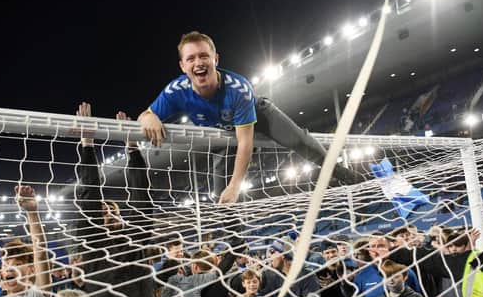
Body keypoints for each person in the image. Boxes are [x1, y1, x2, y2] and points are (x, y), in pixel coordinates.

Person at [137, 31, 359, 203]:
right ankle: (235, 240)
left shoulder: (238, 89)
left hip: (258, 118)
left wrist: (236, 186)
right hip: (224, 134)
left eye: (204, 56)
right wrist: (148, 116)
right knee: (219, 190)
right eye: (191, 58)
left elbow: (245, 143)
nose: (198, 63)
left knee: (298, 140)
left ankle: (340, 171)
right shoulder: (175, 91)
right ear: (183, 66)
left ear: (215, 59)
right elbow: (145, 115)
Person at [73, 104, 161, 297]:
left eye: (114, 211)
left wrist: (132, 148)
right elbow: (89, 195)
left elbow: (141, 197)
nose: (109, 214)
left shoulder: (136, 239)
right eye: (104, 213)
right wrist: (87, 145)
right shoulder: (94, 247)